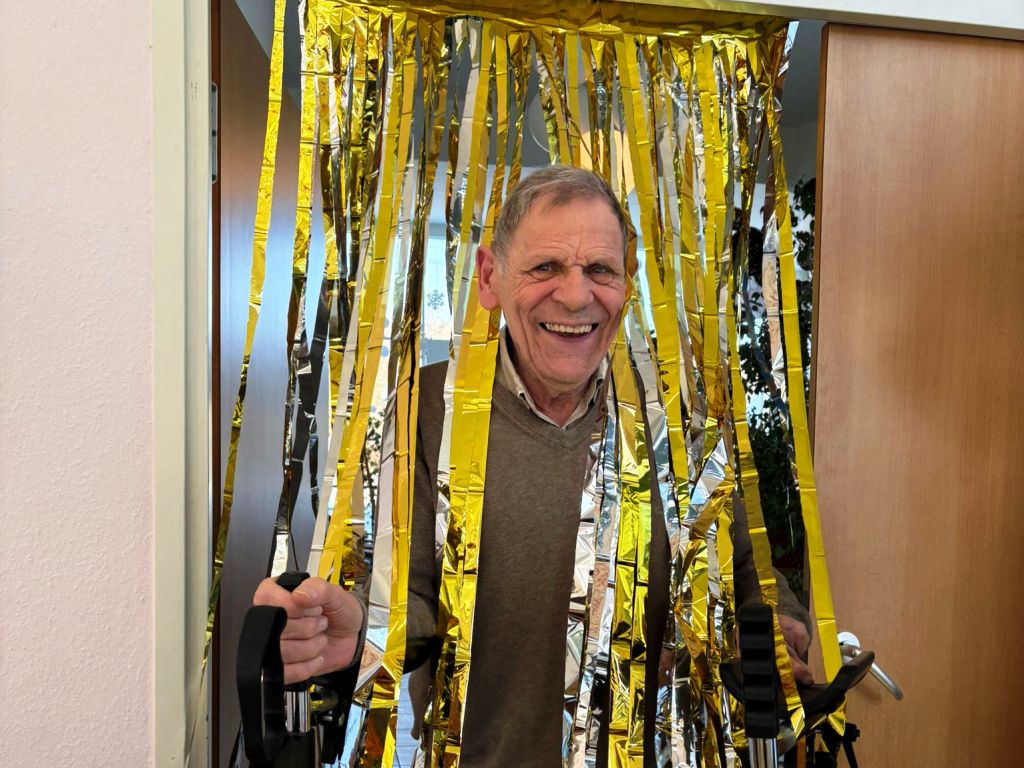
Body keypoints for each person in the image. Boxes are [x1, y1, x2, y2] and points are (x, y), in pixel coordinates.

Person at [254, 165, 812, 766]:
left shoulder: (685, 418)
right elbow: (407, 592)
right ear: (489, 277)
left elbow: (749, 577)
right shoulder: (428, 409)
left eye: (600, 270)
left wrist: (779, 631)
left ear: (627, 282)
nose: (575, 296)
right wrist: (360, 628)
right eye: (545, 267)